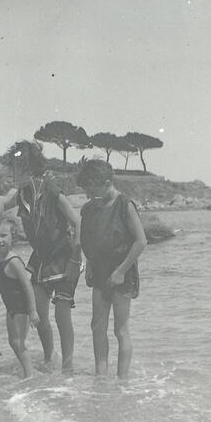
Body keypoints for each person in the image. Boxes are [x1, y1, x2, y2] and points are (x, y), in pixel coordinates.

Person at [0, 140, 82, 373]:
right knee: (39, 313)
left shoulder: (53, 192)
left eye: (16, 171)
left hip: (64, 258)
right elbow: (1, 204)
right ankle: (50, 356)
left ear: (30, 170)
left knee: (61, 315)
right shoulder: (22, 194)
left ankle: (68, 366)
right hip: (41, 258)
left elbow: (78, 223)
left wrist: (76, 259)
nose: (12, 176)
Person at [76, 159, 147, 379]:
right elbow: (90, 240)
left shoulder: (125, 205)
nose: (88, 195)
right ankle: (101, 378)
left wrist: (121, 271)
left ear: (107, 183)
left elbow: (141, 241)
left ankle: (122, 381)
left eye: (91, 190)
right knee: (97, 326)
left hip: (122, 273)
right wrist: (89, 264)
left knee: (120, 329)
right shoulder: (90, 209)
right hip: (99, 271)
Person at [0, 217, 40, 379]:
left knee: (18, 343)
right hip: (10, 307)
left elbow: (27, 286)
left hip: (21, 307)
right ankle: (28, 372)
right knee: (13, 342)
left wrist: (33, 311)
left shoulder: (14, 261)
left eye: (3, 236)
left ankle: (29, 375)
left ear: (13, 237)